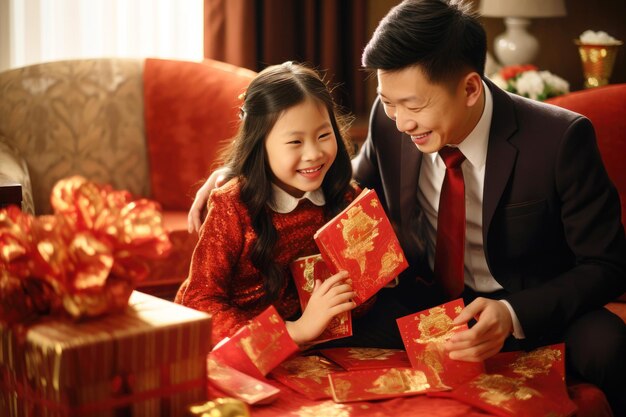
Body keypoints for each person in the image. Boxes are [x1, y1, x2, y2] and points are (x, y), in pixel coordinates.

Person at [189, 0, 626, 413]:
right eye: (389, 102)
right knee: (319, 339)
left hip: (532, 307)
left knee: (608, 346)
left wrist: (513, 314)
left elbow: (607, 264)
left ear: (470, 87)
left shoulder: (559, 141)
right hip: (427, 303)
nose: (401, 121)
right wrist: (241, 175)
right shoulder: (389, 119)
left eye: (413, 105)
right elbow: (346, 186)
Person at [175, 62, 360, 347]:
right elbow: (201, 301)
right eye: (295, 142)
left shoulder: (345, 197)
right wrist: (294, 332)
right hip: (231, 342)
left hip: (309, 342)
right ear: (260, 144)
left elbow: (358, 297)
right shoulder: (233, 206)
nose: (313, 153)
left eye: (323, 135)